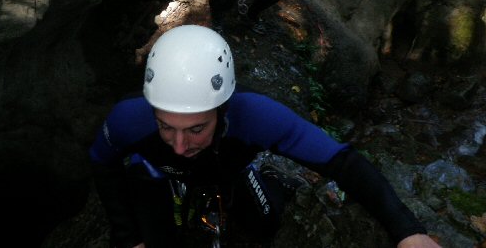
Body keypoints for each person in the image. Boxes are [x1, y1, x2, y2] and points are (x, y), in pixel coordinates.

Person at [89, 24, 443, 248]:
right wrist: (128, 237)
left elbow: (341, 161)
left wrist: (407, 230)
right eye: (166, 126)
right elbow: (102, 163)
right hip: (156, 174)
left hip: (227, 168)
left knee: (266, 221)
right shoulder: (129, 119)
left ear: (222, 110)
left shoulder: (256, 116)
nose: (180, 146)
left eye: (196, 128)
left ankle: (265, 178)